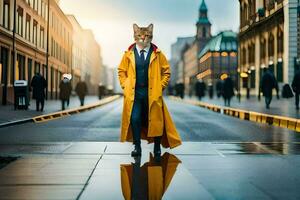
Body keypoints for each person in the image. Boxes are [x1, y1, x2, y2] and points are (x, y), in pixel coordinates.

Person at [118, 24, 182, 158]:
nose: (143, 39)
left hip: (152, 93)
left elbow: (166, 72)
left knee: (155, 119)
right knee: (134, 118)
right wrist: (125, 85)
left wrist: (160, 86)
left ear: (151, 36)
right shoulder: (128, 54)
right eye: (139, 36)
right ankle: (137, 146)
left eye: (146, 36)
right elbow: (121, 71)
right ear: (134, 35)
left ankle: (157, 146)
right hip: (135, 93)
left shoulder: (158, 54)